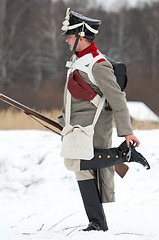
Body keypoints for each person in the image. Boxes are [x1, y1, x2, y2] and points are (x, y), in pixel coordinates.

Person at [58, 8, 149, 232]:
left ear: (81, 35)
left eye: (70, 35)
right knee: (82, 171)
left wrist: (126, 132)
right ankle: (97, 223)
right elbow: (72, 98)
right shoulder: (77, 60)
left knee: (73, 162)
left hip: (93, 128)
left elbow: (118, 99)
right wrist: (63, 121)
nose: (67, 40)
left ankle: (123, 154)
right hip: (76, 128)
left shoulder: (99, 65)